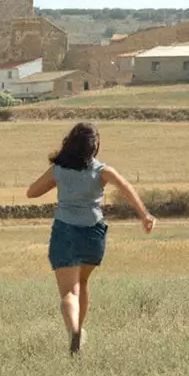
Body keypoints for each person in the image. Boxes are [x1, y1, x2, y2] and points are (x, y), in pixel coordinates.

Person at [26, 122, 155, 356]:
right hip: (93, 234)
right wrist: (144, 215)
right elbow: (125, 187)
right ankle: (79, 333)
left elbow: (32, 192)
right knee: (83, 283)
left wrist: (60, 180)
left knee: (68, 292)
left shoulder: (59, 169)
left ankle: (74, 330)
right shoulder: (101, 171)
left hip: (65, 232)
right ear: (94, 148)